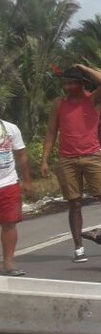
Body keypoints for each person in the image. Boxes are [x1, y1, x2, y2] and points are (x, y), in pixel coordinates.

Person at [40, 64, 101, 263]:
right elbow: (51, 132)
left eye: (72, 83)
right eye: (65, 83)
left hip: (92, 156)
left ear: (81, 83)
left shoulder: (92, 99)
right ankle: (79, 247)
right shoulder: (59, 104)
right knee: (74, 204)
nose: (67, 87)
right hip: (67, 159)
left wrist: (81, 67)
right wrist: (44, 160)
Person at [0, 117, 30, 276]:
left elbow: (21, 156)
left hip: (8, 182)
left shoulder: (10, 128)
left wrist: (26, 180)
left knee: (9, 223)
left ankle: (8, 262)